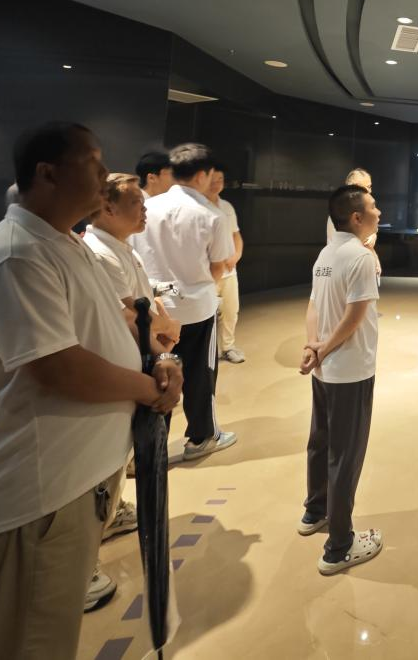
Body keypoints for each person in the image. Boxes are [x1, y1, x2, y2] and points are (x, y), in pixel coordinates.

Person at [0, 122, 181, 659]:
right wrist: (150, 388)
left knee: (51, 633)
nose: (105, 174)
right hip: (37, 495)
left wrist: (164, 361)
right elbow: (59, 370)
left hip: (71, 485)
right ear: (47, 173)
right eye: (93, 163)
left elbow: (115, 323)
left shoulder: (64, 245)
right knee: (31, 642)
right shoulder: (14, 258)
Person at [84, 173, 183, 553]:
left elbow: (141, 303)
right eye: (136, 203)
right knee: (102, 461)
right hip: (120, 364)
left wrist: (162, 337)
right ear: (107, 207)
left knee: (118, 452)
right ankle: (95, 537)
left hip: (140, 356)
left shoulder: (121, 247)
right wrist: (165, 343)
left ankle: (111, 512)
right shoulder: (99, 253)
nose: (145, 210)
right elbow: (127, 315)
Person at [132, 143, 237, 461]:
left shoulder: (147, 207)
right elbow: (219, 267)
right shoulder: (211, 215)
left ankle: (152, 448)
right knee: (200, 374)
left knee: (157, 375)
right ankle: (201, 437)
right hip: (197, 308)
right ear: (202, 175)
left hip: (154, 309)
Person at [299, 184, 383, 575]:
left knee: (321, 442)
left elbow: (314, 306)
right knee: (345, 455)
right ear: (356, 217)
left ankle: (315, 511)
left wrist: (313, 347)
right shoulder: (360, 257)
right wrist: (324, 348)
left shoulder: (326, 253)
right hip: (350, 371)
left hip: (325, 370)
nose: (379, 212)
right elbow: (354, 318)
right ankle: (339, 546)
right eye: (373, 206)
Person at [207, 169, 245, 363]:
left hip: (229, 271)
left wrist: (236, 255)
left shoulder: (227, 206)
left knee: (231, 311)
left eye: (220, 179)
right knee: (207, 315)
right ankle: (208, 351)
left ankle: (228, 347)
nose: (217, 183)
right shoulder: (200, 207)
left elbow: (236, 235)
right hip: (208, 274)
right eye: (213, 179)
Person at [325, 168, 381, 277]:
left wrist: (373, 237)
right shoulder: (340, 211)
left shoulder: (365, 209)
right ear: (353, 187)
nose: (369, 191)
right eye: (366, 187)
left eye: (370, 187)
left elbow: (371, 235)